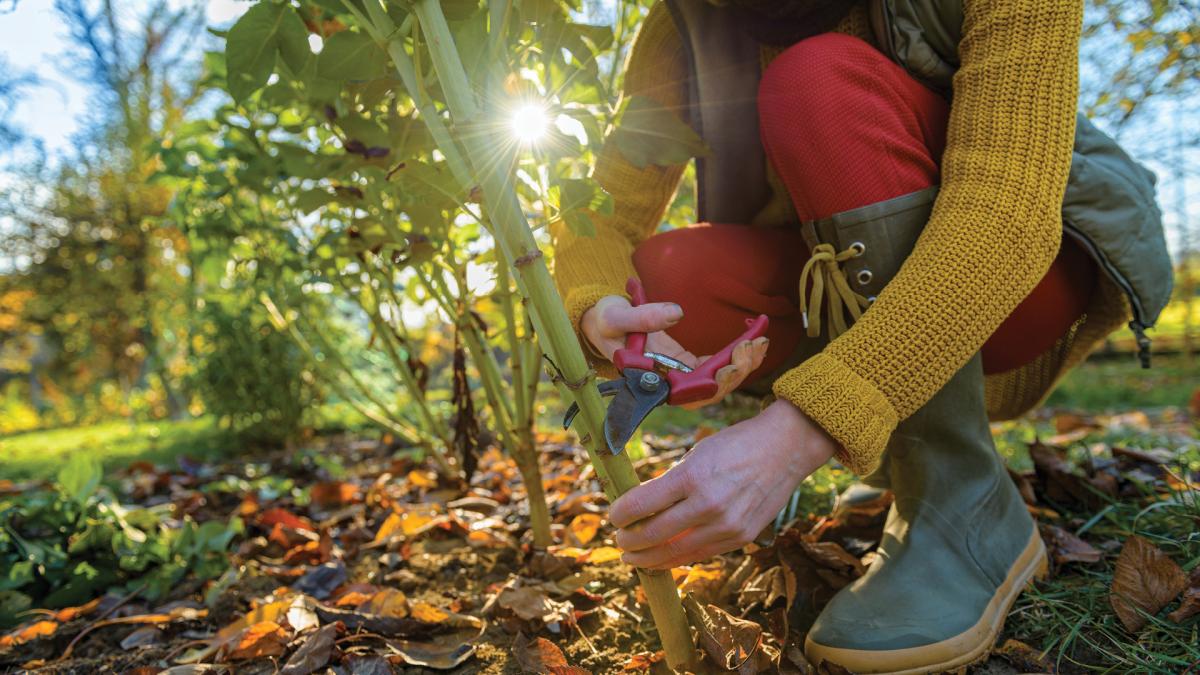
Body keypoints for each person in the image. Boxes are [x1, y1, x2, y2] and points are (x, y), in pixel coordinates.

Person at [550, 0, 1171, 671]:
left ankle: (961, 496)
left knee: (815, 81)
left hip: (1022, 279)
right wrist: (595, 305)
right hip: (851, 284)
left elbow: (1008, 214)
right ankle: (893, 450)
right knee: (674, 277)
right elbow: (604, 213)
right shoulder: (688, 19)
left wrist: (805, 428)